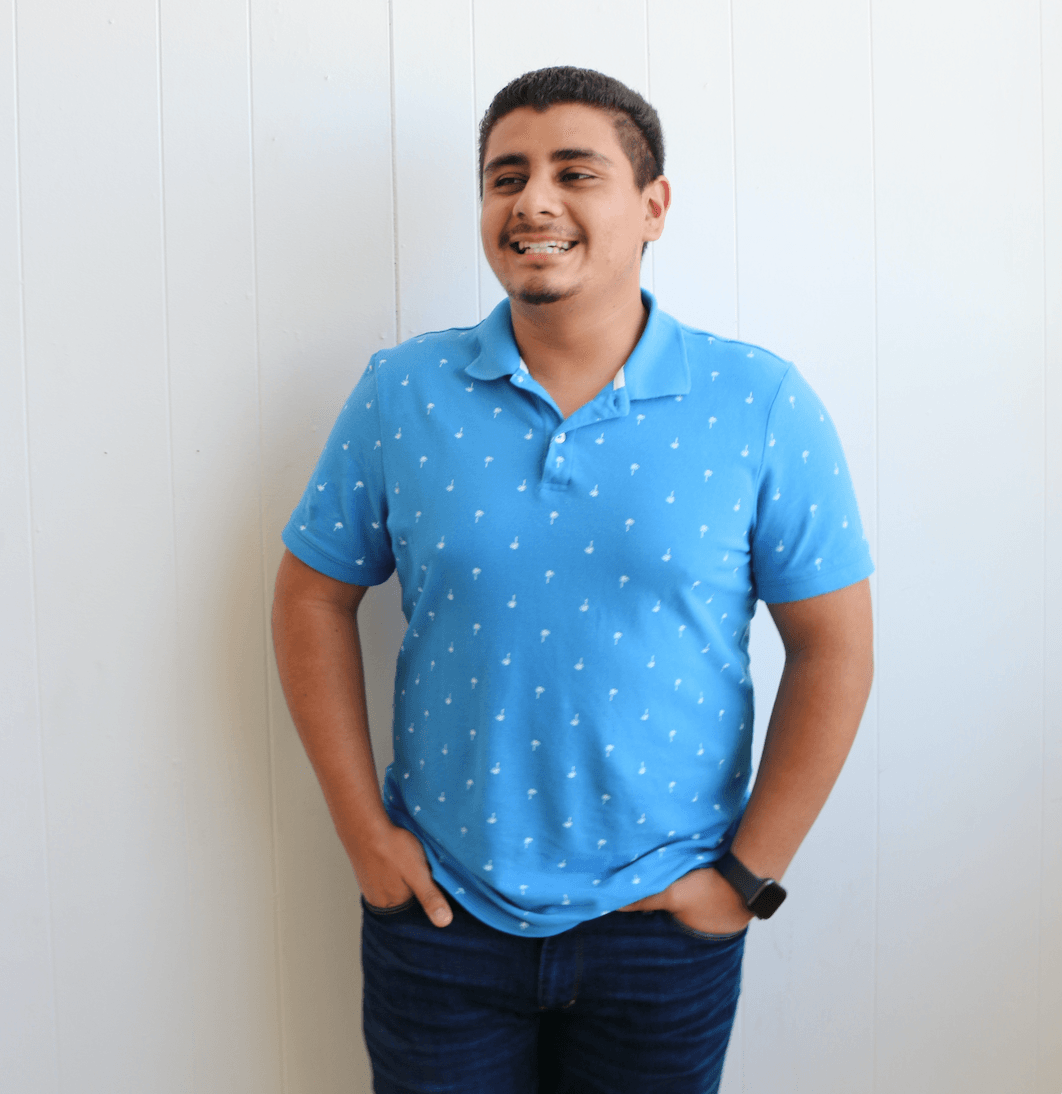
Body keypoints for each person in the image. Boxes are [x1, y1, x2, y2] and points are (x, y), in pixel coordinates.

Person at [272, 66, 874, 1094]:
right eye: (506, 177)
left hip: (665, 925)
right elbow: (311, 595)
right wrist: (364, 836)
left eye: (575, 172)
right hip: (441, 914)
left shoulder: (758, 402)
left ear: (653, 206)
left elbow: (836, 647)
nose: (533, 201)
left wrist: (745, 879)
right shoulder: (403, 393)